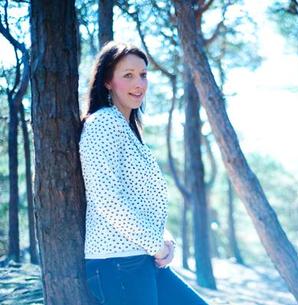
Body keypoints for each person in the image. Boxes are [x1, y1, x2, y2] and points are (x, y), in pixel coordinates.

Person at [79, 41, 210, 305]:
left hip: (141, 260)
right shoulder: (102, 124)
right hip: (117, 263)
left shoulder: (128, 130)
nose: (139, 83)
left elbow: (144, 201)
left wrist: (165, 239)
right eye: (128, 75)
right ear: (107, 81)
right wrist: (157, 245)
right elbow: (107, 199)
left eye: (143, 74)